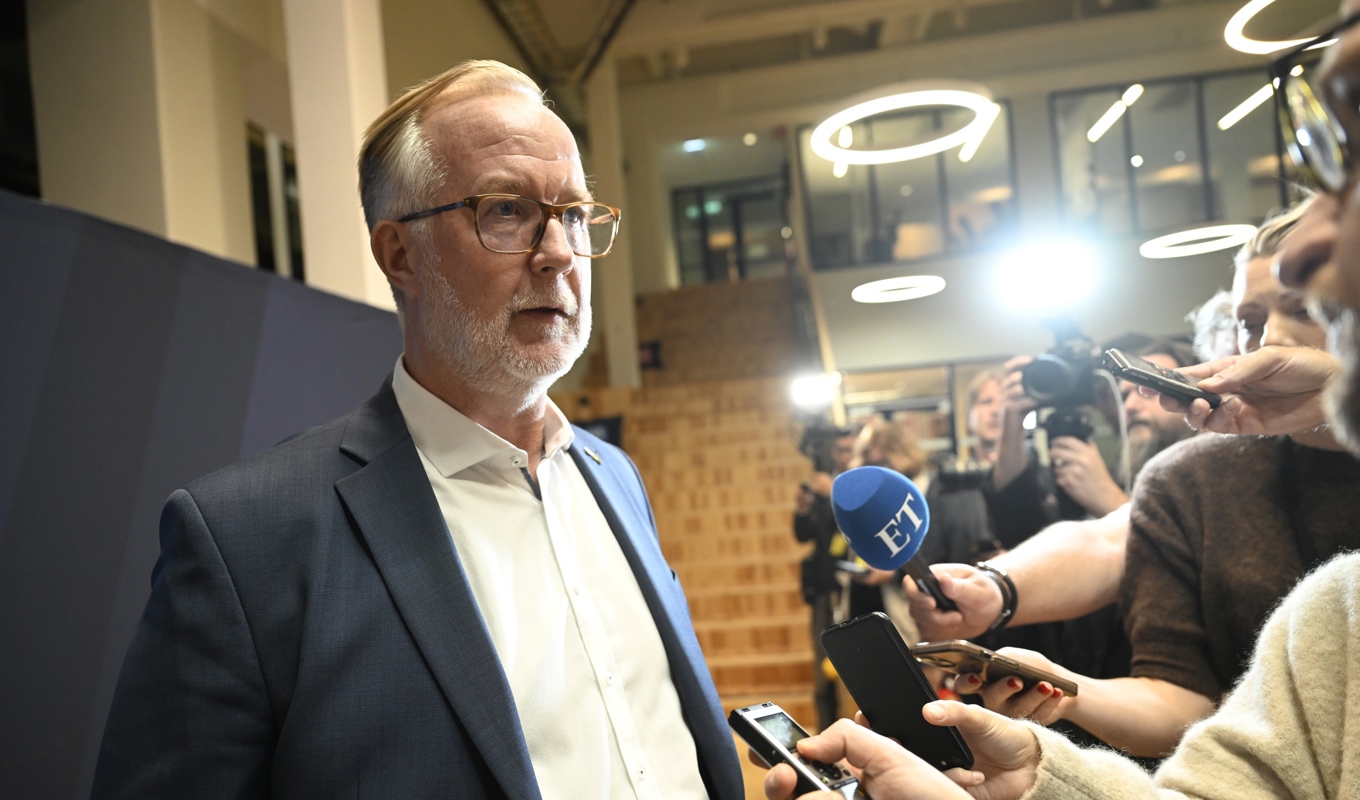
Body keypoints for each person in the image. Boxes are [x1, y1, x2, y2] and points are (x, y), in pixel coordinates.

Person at [91, 61, 743, 799]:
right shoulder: (249, 538)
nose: (559, 252)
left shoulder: (615, 478)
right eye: (507, 211)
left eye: (572, 213)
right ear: (400, 256)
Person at [764, 12, 1360, 792]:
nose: (1314, 236)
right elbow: (1117, 541)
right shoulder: (1310, 588)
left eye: (1301, 303)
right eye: (1245, 321)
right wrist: (1010, 618)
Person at [793, 426, 857, 730]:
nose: (844, 456)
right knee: (824, 671)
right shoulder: (822, 482)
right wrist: (803, 509)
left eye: (849, 449)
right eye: (839, 450)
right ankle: (828, 734)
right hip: (824, 587)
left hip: (858, 591)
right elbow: (803, 534)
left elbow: (859, 523)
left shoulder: (860, 484)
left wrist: (835, 494)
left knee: (856, 670)